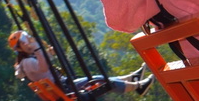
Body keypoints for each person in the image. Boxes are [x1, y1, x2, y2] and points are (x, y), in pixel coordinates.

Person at [9, 30, 154, 96]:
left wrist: (47, 53)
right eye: (24, 41)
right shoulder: (26, 63)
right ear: (20, 48)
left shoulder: (28, 60)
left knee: (99, 78)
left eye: (27, 38)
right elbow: (43, 66)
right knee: (102, 82)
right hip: (65, 88)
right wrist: (38, 49)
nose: (28, 42)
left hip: (63, 84)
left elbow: (43, 67)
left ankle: (131, 78)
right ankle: (138, 86)